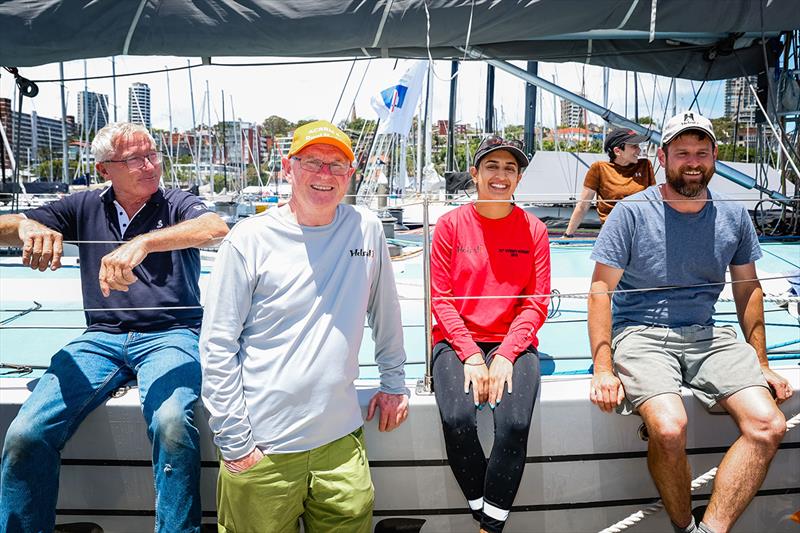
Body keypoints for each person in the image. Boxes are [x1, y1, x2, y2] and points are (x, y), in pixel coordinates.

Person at [0, 122, 229, 533]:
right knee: (25, 433)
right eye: (135, 159)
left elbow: (214, 228)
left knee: (173, 422)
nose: (150, 165)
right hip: (100, 339)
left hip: (171, 334)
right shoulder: (83, 206)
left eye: (153, 154)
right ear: (106, 170)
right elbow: (7, 226)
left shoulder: (176, 202)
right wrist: (26, 226)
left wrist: (144, 242)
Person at [588, 112, 792, 533]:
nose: (693, 161)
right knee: (668, 426)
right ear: (663, 157)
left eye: (702, 152)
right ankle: (683, 526)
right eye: (682, 152)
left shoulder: (733, 217)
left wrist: (762, 363)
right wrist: (603, 368)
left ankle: (709, 530)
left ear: (715, 156)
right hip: (641, 333)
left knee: (768, 425)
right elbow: (600, 292)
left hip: (707, 333)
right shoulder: (629, 213)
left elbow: (747, 288)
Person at [200, 120, 408, 533]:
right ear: (287, 167)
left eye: (337, 165)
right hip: (263, 449)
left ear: (351, 175)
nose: (324, 175)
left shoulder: (365, 228)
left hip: (341, 448)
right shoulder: (249, 239)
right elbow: (217, 345)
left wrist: (394, 383)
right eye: (312, 161)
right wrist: (237, 442)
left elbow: (386, 310)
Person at [430, 136, 551, 533]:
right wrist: (469, 355)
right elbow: (441, 300)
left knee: (514, 425)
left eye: (510, 169)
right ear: (475, 174)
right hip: (456, 338)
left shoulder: (534, 230)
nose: (501, 175)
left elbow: (535, 303)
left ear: (518, 178)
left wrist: (504, 355)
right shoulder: (449, 225)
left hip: (512, 343)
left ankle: (488, 528)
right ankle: (485, 510)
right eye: (492, 167)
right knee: (458, 419)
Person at [563, 127, 655, 237]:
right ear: (617, 151)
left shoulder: (645, 165)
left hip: (642, 231)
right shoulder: (599, 168)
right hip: (613, 232)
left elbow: (654, 201)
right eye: (634, 146)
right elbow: (583, 205)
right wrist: (568, 235)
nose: (639, 150)